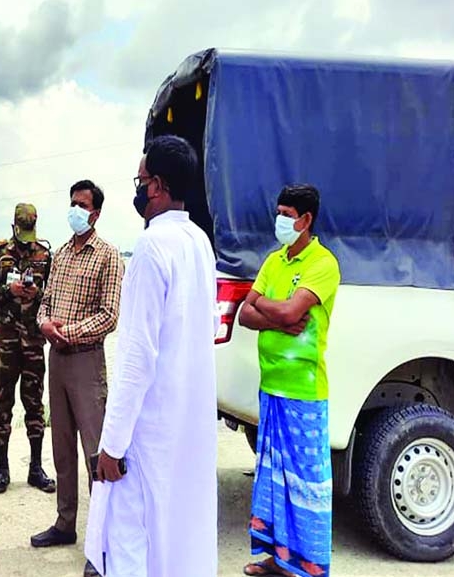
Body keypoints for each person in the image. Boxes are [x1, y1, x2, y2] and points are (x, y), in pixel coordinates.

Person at [85, 135, 220, 576]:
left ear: (157, 186)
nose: (138, 189)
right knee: (180, 538)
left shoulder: (150, 247)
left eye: (140, 181)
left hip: (149, 430)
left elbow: (137, 357)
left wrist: (112, 445)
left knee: (131, 543)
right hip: (188, 423)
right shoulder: (200, 242)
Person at [238, 184, 340, 577]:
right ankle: (277, 559)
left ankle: (308, 567)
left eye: (286, 214)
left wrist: (266, 306)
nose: (280, 221)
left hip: (304, 392)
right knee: (273, 478)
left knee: (306, 484)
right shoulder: (274, 261)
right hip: (271, 388)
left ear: (306, 219)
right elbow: (247, 314)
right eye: (278, 212)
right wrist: (271, 311)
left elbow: (292, 310)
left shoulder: (323, 263)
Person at [31, 181, 124, 564]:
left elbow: (110, 315)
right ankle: (65, 523)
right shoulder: (63, 254)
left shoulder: (108, 256)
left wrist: (66, 332)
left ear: (96, 213)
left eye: (82, 205)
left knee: (93, 453)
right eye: (72, 203)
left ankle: (102, 541)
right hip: (58, 361)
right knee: (62, 448)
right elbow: (45, 302)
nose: (76, 210)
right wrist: (43, 324)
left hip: (86, 361)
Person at [0, 203, 56, 494]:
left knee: (34, 405)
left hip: (32, 342)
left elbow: (51, 296)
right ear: (14, 225)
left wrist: (36, 292)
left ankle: (35, 468)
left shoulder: (44, 254)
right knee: (3, 403)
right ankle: (3, 470)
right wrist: (8, 291)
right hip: (6, 341)